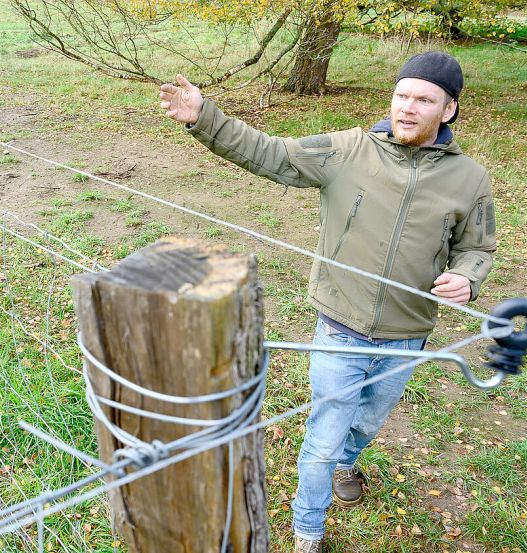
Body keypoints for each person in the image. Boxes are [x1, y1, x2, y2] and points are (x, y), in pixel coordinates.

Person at [159, 51, 496, 552]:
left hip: (407, 335)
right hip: (341, 325)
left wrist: (467, 278)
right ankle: (307, 533)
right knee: (323, 435)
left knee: (366, 422)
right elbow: (268, 153)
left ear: (447, 110)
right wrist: (204, 117)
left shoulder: (469, 179)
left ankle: (349, 462)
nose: (407, 107)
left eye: (424, 100)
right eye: (402, 94)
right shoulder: (347, 150)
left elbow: (477, 247)